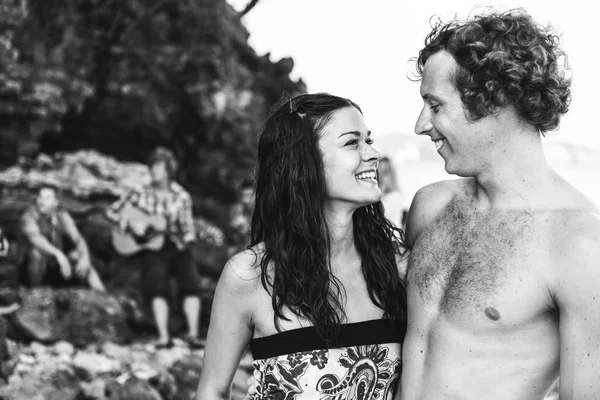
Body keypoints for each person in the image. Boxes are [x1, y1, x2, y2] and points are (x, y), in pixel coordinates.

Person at [397, 9, 600, 400]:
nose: (421, 125)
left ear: (495, 100)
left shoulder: (578, 244)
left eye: (436, 106)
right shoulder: (430, 206)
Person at [196, 93, 407, 399]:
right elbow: (212, 391)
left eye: (368, 140)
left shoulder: (397, 267)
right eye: (352, 142)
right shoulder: (250, 275)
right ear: (303, 162)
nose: (373, 153)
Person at [106, 147, 204, 349]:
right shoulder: (138, 191)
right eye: (152, 167)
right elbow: (111, 212)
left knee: (191, 284)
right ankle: (163, 337)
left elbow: (188, 229)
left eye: (158, 167)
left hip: (176, 245)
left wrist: (189, 237)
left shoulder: (181, 196)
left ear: (169, 170)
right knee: (156, 287)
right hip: (151, 248)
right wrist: (130, 224)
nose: (154, 171)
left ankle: (193, 335)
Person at [17, 184, 105, 292]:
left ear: (56, 202)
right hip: (29, 266)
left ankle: (102, 295)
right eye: (40, 197)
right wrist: (58, 254)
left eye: (47, 198)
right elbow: (35, 239)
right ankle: (35, 292)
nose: (41, 201)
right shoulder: (27, 215)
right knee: (36, 253)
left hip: (57, 263)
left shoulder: (61, 214)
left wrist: (85, 257)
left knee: (80, 255)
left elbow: (77, 238)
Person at [378, 156, 408, 228]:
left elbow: (379, 217)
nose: (380, 177)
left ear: (392, 175)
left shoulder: (395, 196)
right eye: (378, 173)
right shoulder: (383, 196)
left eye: (384, 172)